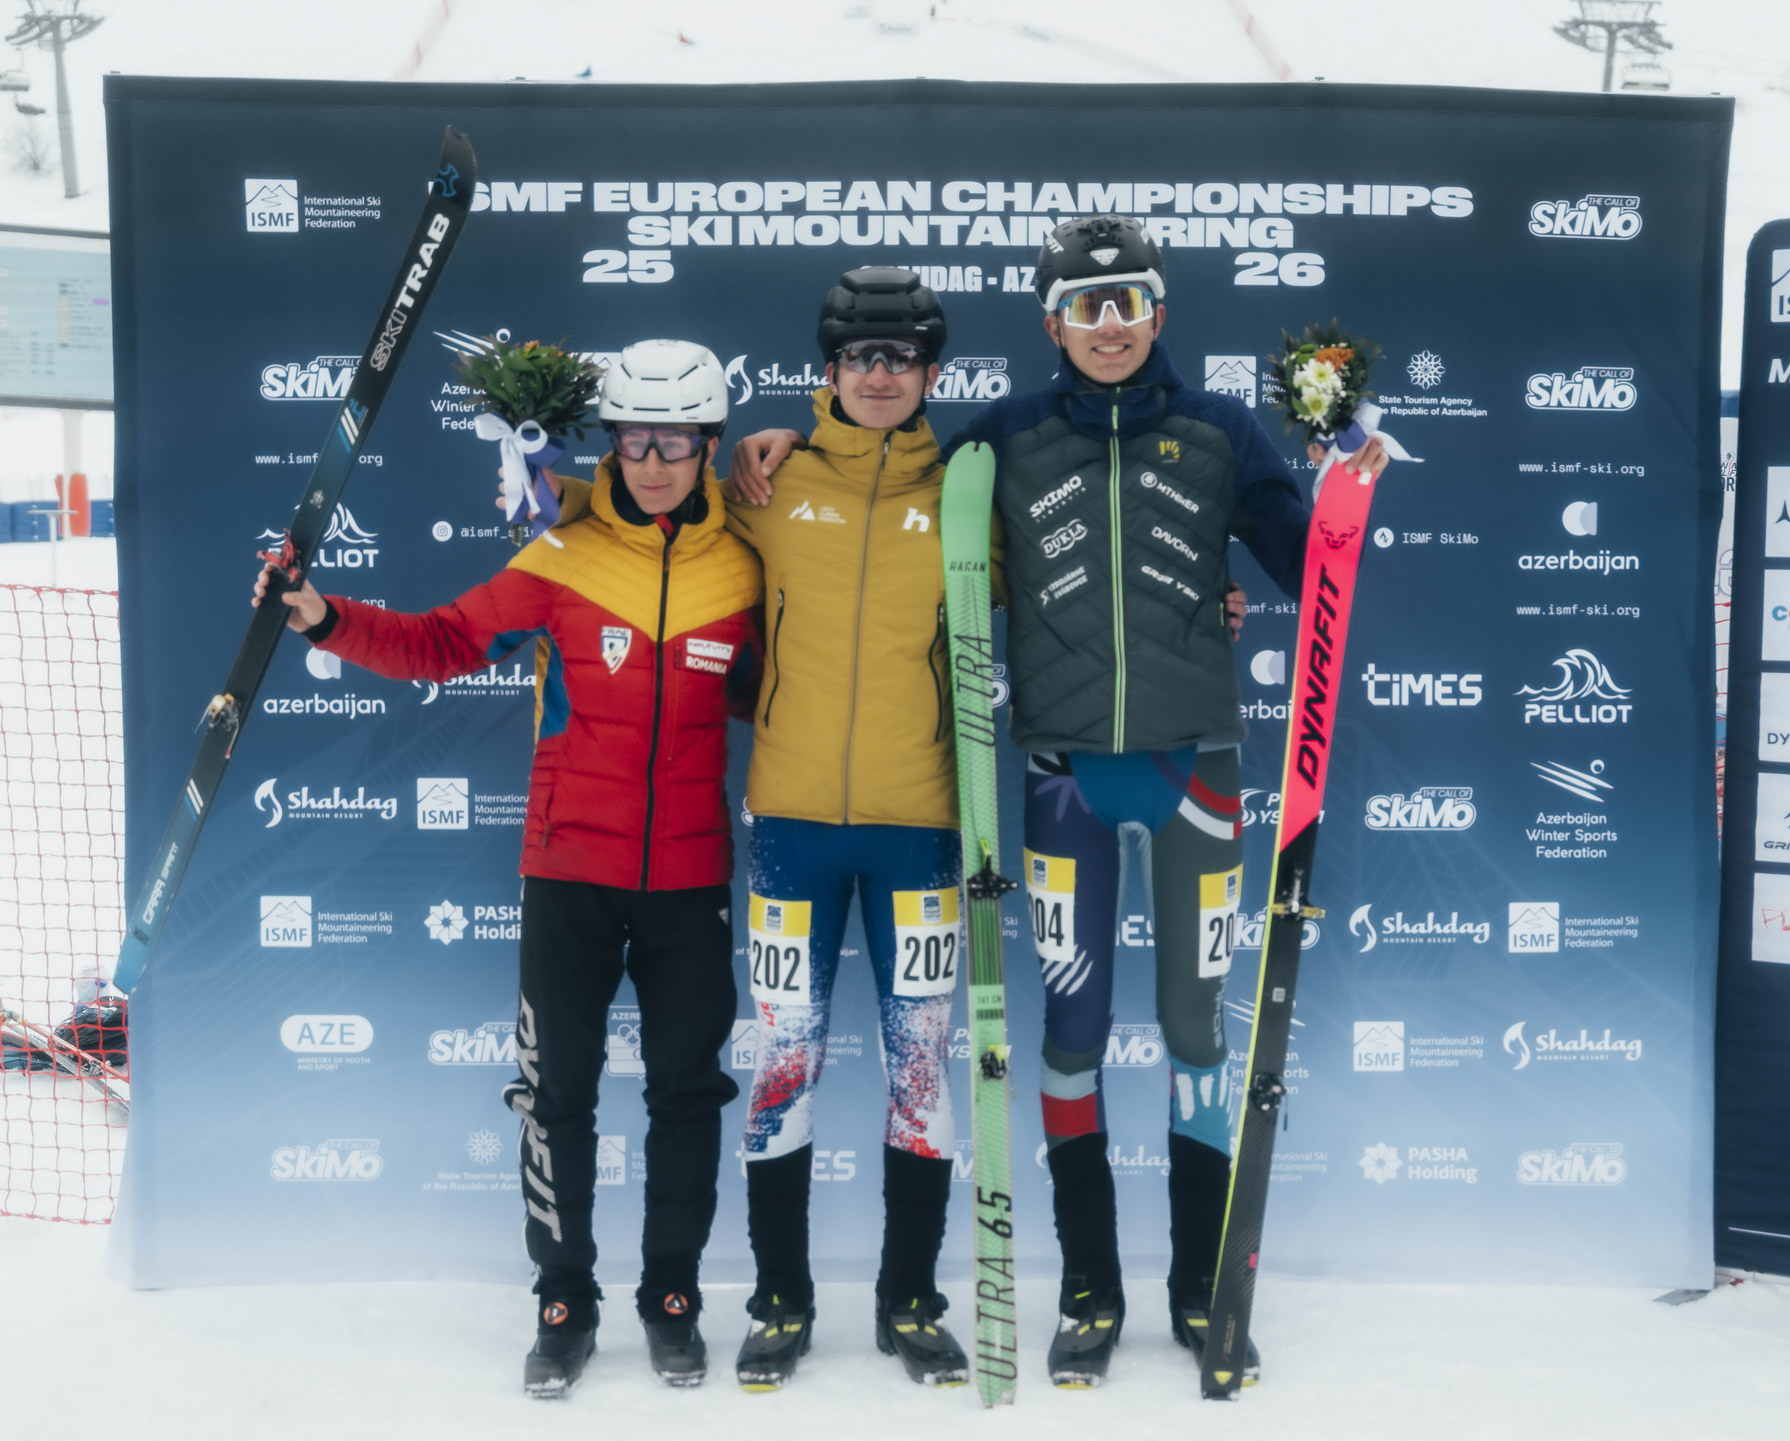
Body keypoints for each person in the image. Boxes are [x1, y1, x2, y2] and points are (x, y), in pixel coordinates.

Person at [738, 215, 1390, 1390]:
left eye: (1128, 301)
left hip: (1197, 772)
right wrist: (784, 439)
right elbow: (891, 495)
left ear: (1159, 312)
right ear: (1051, 323)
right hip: (1062, 779)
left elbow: (1309, 564)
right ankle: (1092, 1287)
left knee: (1197, 1031)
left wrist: (1340, 478)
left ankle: (1202, 1288)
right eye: (1086, 307)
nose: (1109, 325)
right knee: (1075, 1035)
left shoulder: (1222, 429)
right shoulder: (1001, 441)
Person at [255, 340, 761, 1397]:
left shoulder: (748, 564)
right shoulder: (561, 556)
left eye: (676, 442)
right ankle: (563, 1301)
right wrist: (326, 617)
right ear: (611, 442)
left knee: (688, 1095)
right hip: (569, 871)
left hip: (690, 879)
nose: (653, 462)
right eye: (635, 440)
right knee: (557, 1095)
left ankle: (672, 1297)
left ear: (709, 446)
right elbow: (442, 642)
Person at [543, 269, 971, 1391]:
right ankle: (782, 1297)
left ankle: (911, 1299)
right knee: (782, 1063)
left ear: (932, 372)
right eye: (860, 356)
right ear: (829, 369)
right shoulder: (765, 487)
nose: (880, 375)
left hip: (922, 824)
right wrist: (536, 477)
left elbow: (1069, 603)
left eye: (902, 357)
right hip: (788, 825)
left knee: (920, 1069)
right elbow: (641, 514)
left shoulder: (970, 491)